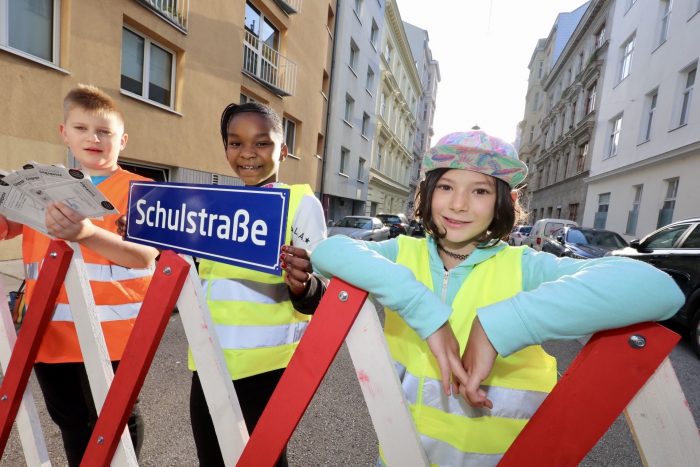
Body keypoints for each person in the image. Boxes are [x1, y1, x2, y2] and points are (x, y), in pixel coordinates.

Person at [311, 130, 684, 466]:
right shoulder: (402, 253)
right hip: (399, 454)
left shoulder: (524, 267)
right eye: (445, 187)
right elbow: (329, 253)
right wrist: (423, 308)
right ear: (426, 193)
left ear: (504, 200)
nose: (458, 204)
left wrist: (500, 325)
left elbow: (659, 289)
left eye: (480, 191)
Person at [0, 84, 159, 466]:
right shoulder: (39, 187)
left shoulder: (144, 191)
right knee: (71, 424)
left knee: (116, 420)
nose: (93, 138)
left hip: (116, 339)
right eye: (82, 128)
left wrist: (86, 233)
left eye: (104, 131)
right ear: (64, 132)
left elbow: (148, 259)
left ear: (122, 139)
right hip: (48, 336)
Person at [188, 102, 327, 466]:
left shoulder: (301, 203)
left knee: (261, 460)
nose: (248, 153)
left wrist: (304, 284)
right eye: (236, 143)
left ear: (282, 150)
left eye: (262, 143)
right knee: (212, 458)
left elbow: (321, 294)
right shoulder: (213, 205)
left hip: (268, 366)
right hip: (208, 359)